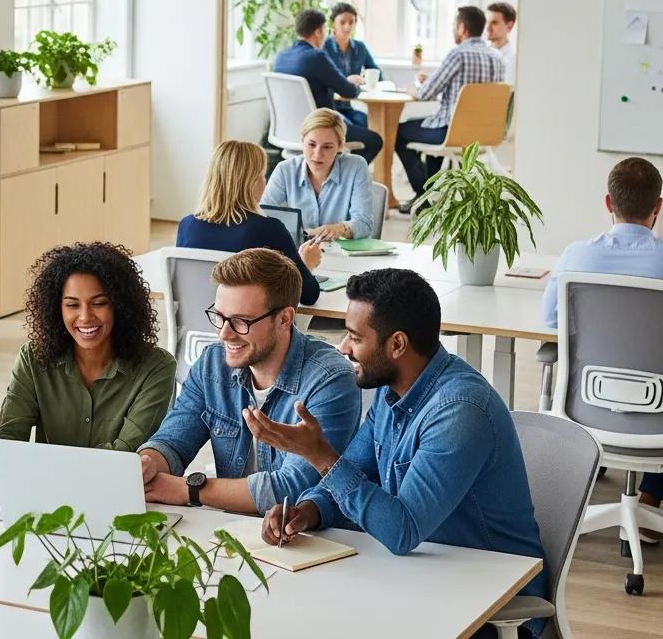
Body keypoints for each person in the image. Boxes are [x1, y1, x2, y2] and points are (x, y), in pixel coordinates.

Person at [248, 268, 547, 638]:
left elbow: (402, 530)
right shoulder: (392, 394)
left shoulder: (460, 411)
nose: (343, 347)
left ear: (397, 344)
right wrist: (306, 512)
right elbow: (355, 471)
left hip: (493, 606)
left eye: (355, 337)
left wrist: (320, 455)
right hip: (421, 577)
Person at [138, 247, 360, 516]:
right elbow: (173, 440)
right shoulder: (212, 363)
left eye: (241, 321)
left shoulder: (330, 381)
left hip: (310, 541)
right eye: (219, 317)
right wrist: (149, 461)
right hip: (233, 531)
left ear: (284, 319)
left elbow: (293, 489)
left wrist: (190, 490)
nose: (224, 334)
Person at [541, 157, 663, 535]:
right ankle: (651, 497)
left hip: (589, 408)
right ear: (658, 207)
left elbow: (550, 322)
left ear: (608, 203)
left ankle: (590, 466)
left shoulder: (577, 257)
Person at [0, 242, 176, 467]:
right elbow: (3, 449)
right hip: (47, 495)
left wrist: (39, 462)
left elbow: (127, 458)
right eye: (72, 305)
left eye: (99, 303)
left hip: (113, 495)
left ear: (120, 305)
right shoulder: (33, 358)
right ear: (56, 309)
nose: (85, 317)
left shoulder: (156, 367)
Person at [177, 140, 322, 306]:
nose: (264, 182)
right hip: (249, 329)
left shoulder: (186, 226)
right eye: (262, 175)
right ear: (250, 182)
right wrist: (306, 264)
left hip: (197, 327)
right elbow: (309, 295)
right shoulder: (269, 229)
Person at [394, 5, 504, 211]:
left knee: (398, 132)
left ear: (462, 28)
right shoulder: (497, 57)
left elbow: (425, 93)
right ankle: (429, 196)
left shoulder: (458, 54)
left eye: (455, 26)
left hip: (452, 131)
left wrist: (417, 86)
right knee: (427, 130)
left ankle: (424, 196)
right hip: (483, 133)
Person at [273, 9, 383, 164]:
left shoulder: (281, 57)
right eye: (324, 30)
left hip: (289, 131)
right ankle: (341, 181)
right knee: (374, 140)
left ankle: (332, 177)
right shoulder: (316, 57)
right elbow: (348, 90)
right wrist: (354, 84)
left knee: (359, 127)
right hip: (321, 128)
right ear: (318, 32)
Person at [261, 109, 373, 241]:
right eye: (311, 144)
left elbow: (364, 225)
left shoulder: (356, 166)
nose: (317, 154)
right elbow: (263, 216)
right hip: (299, 255)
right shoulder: (285, 170)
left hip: (341, 256)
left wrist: (340, 228)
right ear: (302, 141)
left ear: (340, 146)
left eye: (327, 147)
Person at [322, 1, 383, 128]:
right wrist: (346, 81)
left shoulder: (360, 48)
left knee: (372, 125)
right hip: (329, 107)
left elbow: (377, 73)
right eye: (342, 22)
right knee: (352, 130)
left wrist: (365, 80)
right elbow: (319, 83)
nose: (347, 27)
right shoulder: (323, 48)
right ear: (333, 23)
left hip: (350, 106)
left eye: (352, 22)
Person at [486, 1, 517, 86]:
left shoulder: (515, 60)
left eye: (494, 23)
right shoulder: (480, 53)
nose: (488, 28)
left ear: (509, 26)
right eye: (487, 22)